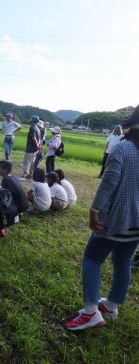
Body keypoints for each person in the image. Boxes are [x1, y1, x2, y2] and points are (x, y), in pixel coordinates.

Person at [65, 105, 139, 331]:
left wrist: (94, 209)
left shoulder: (123, 149)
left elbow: (109, 183)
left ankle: (90, 313)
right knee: (123, 260)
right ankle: (111, 305)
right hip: (137, 224)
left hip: (117, 219)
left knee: (92, 258)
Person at [18, 116, 41, 181]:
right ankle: (31, 174)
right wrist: (38, 146)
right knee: (31, 162)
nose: (29, 120)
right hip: (35, 149)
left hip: (31, 149)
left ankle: (24, 175)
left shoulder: (32, 127)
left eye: (30, 119)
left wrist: (37, 145)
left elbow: (34, 138)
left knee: (26, 162)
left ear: (32, 120)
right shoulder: (37, 128)